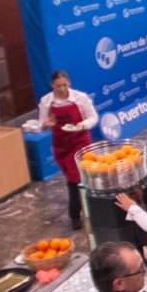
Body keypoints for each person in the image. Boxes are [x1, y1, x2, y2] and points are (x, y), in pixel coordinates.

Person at [36, 70, 97, 230]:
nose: (62, 89)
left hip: (80, 141)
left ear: (69, 83)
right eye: (58, 86)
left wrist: (82, 125)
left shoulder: (80, 98)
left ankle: (75, 215)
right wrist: (45, 125)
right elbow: (41, 125)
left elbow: (93, 118)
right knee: (75, 179)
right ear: (51, 85)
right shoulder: (46, 101)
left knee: (74, 179)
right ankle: (88, 208)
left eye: (64, 85)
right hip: (60, 144)